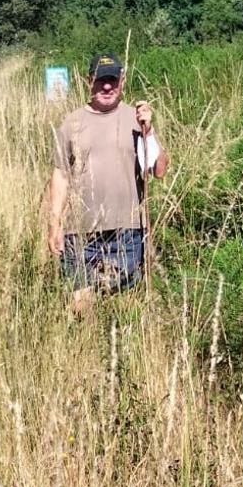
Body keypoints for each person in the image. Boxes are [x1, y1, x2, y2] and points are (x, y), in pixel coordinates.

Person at [46, 53, 169, 313]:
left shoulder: (136, 120)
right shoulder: (72, 122)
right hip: (79, 232)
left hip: (127, 231)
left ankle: (112, 347)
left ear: (121, 81)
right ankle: (85, 349)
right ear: (89, 81)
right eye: (101, 80)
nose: (106, 87)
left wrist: (150, 130)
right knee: (81, 308)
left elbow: (158, 170)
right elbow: (61, 173)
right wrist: (54, 222)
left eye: (112, 80)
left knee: (121, 304)